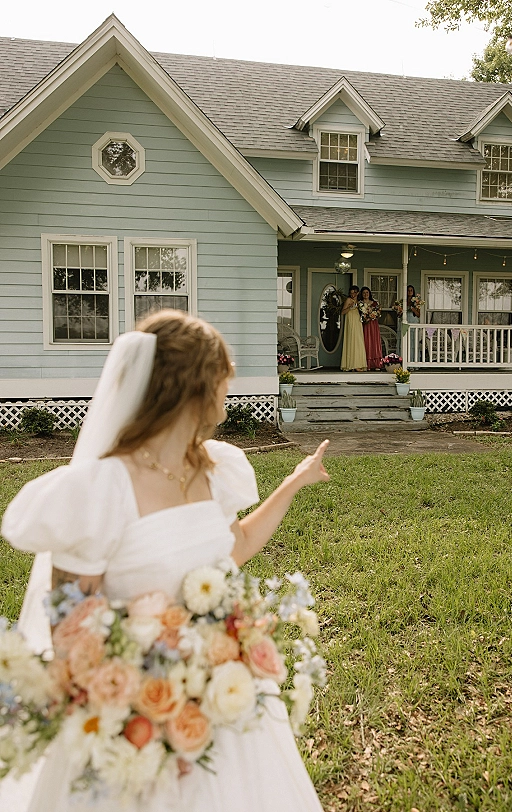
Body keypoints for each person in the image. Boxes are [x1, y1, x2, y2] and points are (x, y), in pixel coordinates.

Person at [0, 310, 329, 812]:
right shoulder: (100, 488)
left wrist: (295, 481)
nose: (229, 386)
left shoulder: (212, 469)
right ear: (193, 386)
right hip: (134, 728)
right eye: (224, 375)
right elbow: (71, 632)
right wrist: (148, 712)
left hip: (219, 707)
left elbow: (234, 550)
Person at [340, 285, 367, 371]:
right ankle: (352, 365)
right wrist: (350, 307)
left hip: (357, 321)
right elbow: (343, 312)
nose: (352, 295)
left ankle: (358, 364)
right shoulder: (349, 300)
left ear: (357, 293)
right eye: (351, 293)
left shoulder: (359, 301)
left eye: (354, 293)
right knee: (352, 341)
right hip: (351, 321)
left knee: (358, 342)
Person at [358, 286, 382, 370]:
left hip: (373, 324)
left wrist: (373, 315)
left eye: (367, 292)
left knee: (374, 343)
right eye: (364, 293)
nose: (365, 294)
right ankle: (366, 363)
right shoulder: (360, 304)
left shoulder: (374, 303)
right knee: (366, 342)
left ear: (369, 293)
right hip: (365, 325)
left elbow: (378, 313)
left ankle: (376, 364)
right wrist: (366, 317)